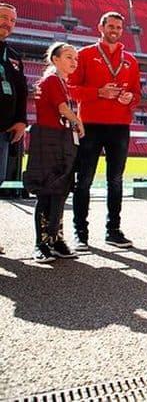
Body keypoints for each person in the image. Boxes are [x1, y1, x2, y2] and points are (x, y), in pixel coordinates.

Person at [69, 11, 141, 250]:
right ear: (100, 27)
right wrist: (97, 92)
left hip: (119, 126)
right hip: (90, 124)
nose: (115, 30)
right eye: (110, 26)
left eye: (119, 27)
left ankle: (114, 230)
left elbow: (137, 94)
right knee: (84, 180)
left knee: (116, 181)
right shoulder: (85, 55)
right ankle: (80, 232)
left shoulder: (130, 60)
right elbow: (70, 88)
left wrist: (130, 98)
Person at [22, 42, 83, 262]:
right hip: (48, 139)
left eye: (75, 58)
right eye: (68, 57)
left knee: (60, 190)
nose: (73, 62)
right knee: (47, 190)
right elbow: (63, 109)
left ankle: (56, 239)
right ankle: (41, 243)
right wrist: (79, 123)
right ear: (55, 59)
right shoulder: (52, 80)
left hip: (61, 138)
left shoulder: (62, 82)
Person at [0, 3, 27, 256]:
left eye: (12, 20)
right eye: (3, 18)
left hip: (3, 130)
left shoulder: (14, 56)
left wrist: (21, 120)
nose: (7, 23)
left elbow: (21, 91)